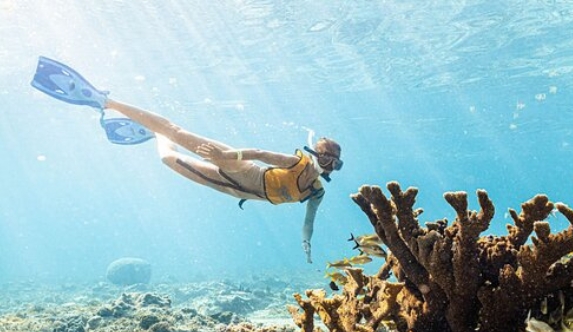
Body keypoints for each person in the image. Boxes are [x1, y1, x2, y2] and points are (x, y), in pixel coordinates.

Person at [30, 56, 342, 263]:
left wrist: (307, 242)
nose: (327, 166)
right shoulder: (294, 162)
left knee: (168, 158)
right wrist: (225, 156)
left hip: (238, 191)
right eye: (326, 158)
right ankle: (105, 100)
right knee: (179, 132)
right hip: (242, 169)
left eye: (332, 164)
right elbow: (260, 153)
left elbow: (309, 221)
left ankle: (153, 135)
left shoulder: (316, 191)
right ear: (317, 153)